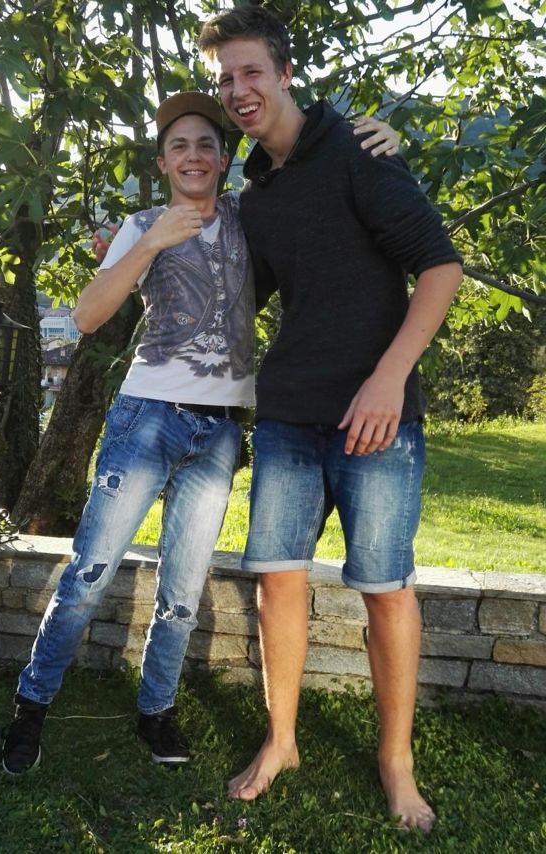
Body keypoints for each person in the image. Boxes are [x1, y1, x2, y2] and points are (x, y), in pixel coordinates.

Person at [0, 89, 397, 775]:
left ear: (223, 158)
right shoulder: (140, 225)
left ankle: (155, 711)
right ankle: (31, 707)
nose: (193, 155)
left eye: (206, 144)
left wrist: (382, 144)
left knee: (182, 595)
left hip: (219, 432)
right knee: (89, 575)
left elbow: (319, 210)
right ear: (163, 162)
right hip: (147, 417)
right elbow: (87, 315)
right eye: (179, 145)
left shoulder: (249, 219)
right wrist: (153, 241)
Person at [198, 6, 463, 832]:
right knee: (278, 580)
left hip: (376, 417)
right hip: (288, 414)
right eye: (225, 79)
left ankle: (396, 764)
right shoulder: (257, 192)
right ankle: (282, 741)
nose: (238, 90)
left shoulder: (357, 150)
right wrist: (148, 247)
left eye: (250, 72)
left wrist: (389, 380)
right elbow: (240, 297)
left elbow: (441, 267)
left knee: (385, 588)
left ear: (284, 73)